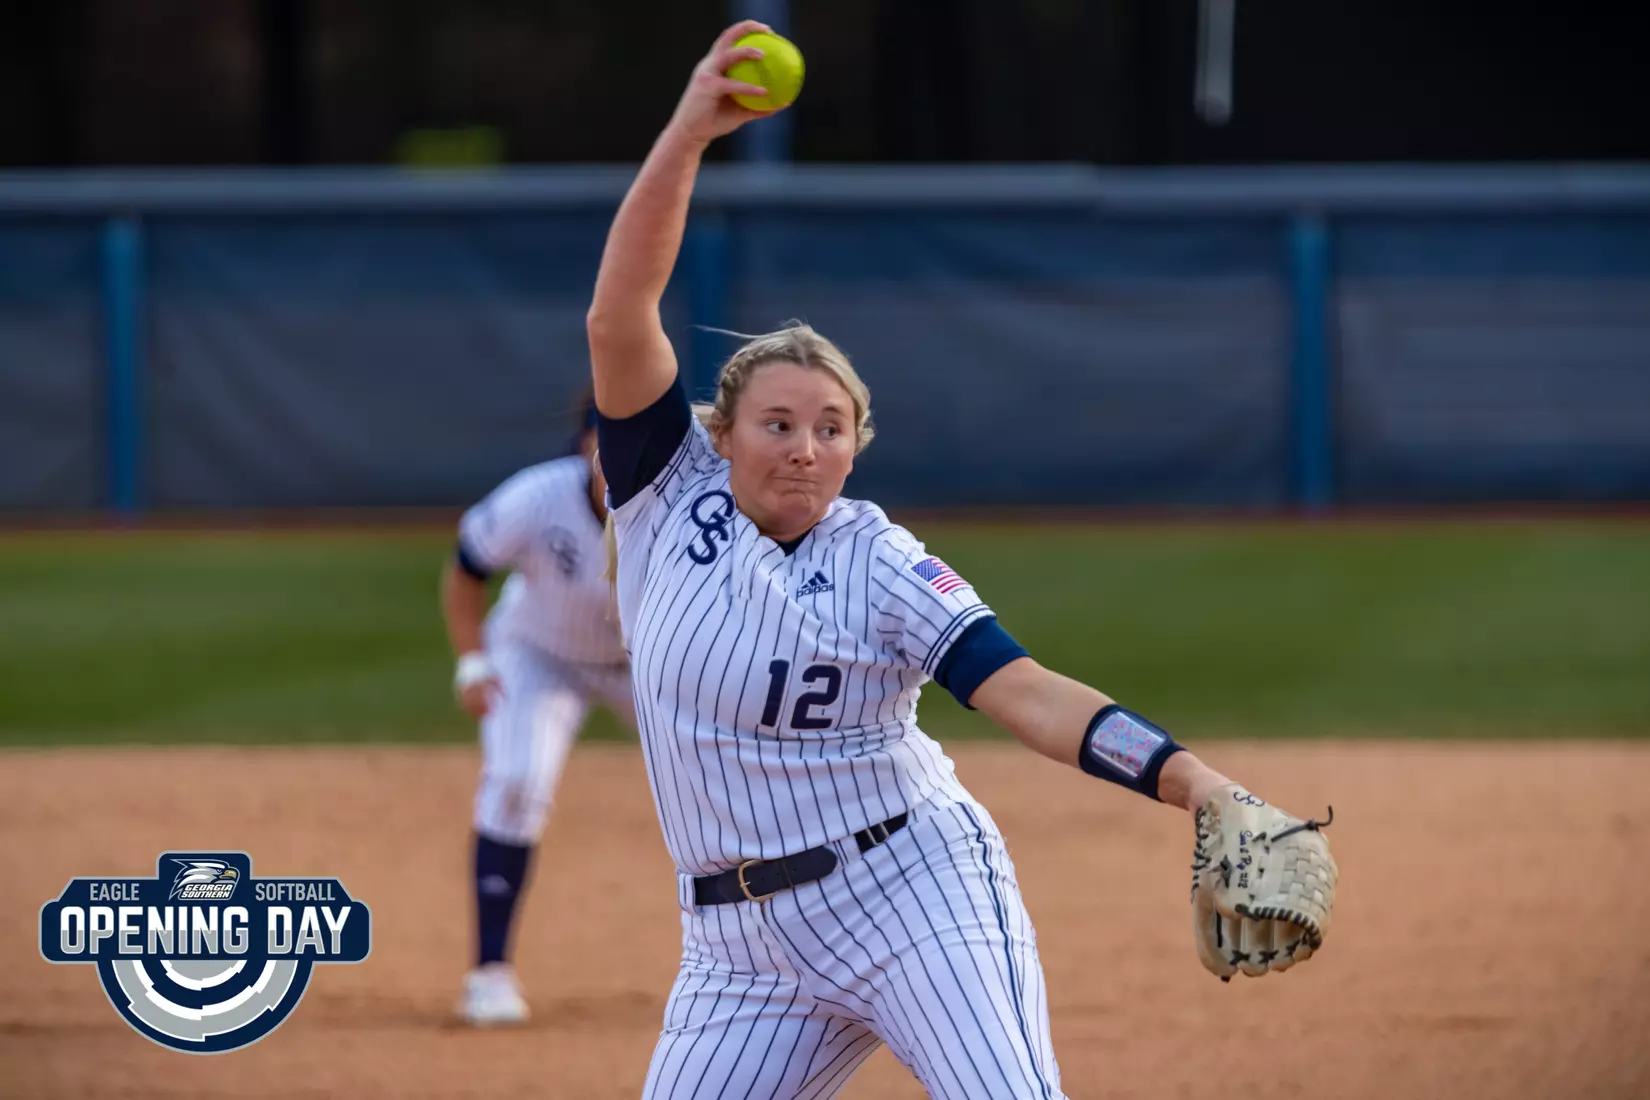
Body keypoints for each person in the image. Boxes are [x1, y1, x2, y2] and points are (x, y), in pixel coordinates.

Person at [586, 22, 1339, 1097]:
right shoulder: (666, 497)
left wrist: (1195, 781)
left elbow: (1025, 692)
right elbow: (620, 314)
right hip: (736, 951)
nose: (807, 446)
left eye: (832, 426)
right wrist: (691, 132)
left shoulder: (881, 559)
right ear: (723, 432)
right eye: (779, 422)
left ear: (857, 443)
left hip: (909, 891)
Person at [439, 397, 635, 1026]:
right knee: (517, 782)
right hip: (538, 653)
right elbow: (468, 567)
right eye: (607, 442)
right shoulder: (538, 497)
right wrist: (473, 662)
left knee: (731, 784)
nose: (621, 458)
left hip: (644, 667)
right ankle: (489, 974)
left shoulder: (686, 507)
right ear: (583, 445)